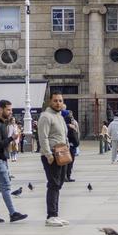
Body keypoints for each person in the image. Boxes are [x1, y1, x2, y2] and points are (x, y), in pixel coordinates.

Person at [0, 100, 27, 224]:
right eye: (8, 109)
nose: (10, 112)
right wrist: (11, 138)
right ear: (0, 109)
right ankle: (13, 213)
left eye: (11, 110)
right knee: (6, 187)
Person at [37, 91, 70, 227]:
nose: (58, 103)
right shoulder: (46, 116)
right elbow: (43, 137)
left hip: (62, 154)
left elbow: (63, 135)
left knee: (59, 183)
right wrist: (48, 155)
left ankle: (55, 214)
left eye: (60, 101)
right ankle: (51, 216)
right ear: (50, 101)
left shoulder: (60, 116)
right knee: (53, 184)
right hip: (51, 155)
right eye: (55, 100)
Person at [61, 108, 80, 182]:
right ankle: (67, 176)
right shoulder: (69, 127)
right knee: (69, 163)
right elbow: (74, 136)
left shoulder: (64, 125)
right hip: (70, 146)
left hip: (67, 146)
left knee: (66, 163)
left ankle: (66, 176)